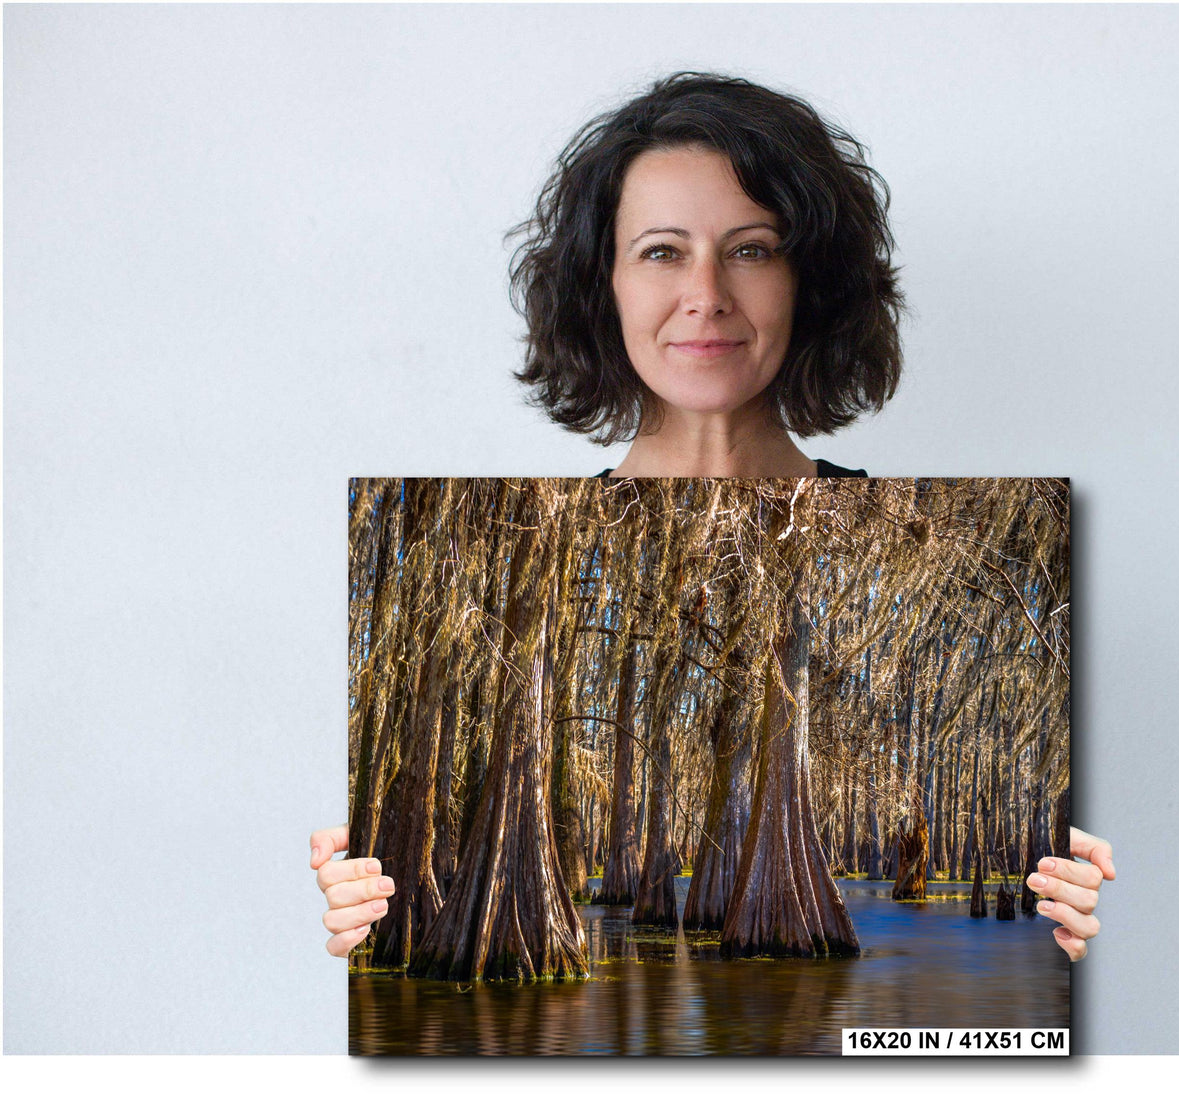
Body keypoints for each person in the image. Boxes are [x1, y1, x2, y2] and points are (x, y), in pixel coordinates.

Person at [312, 72, 1114, 964]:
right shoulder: (513, 540)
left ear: (808, 282)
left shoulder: (917, 521)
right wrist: (357, 911)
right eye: (661, 251)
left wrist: (1071, 927)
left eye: (752, 249)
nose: (706, 293)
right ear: (603, 285)